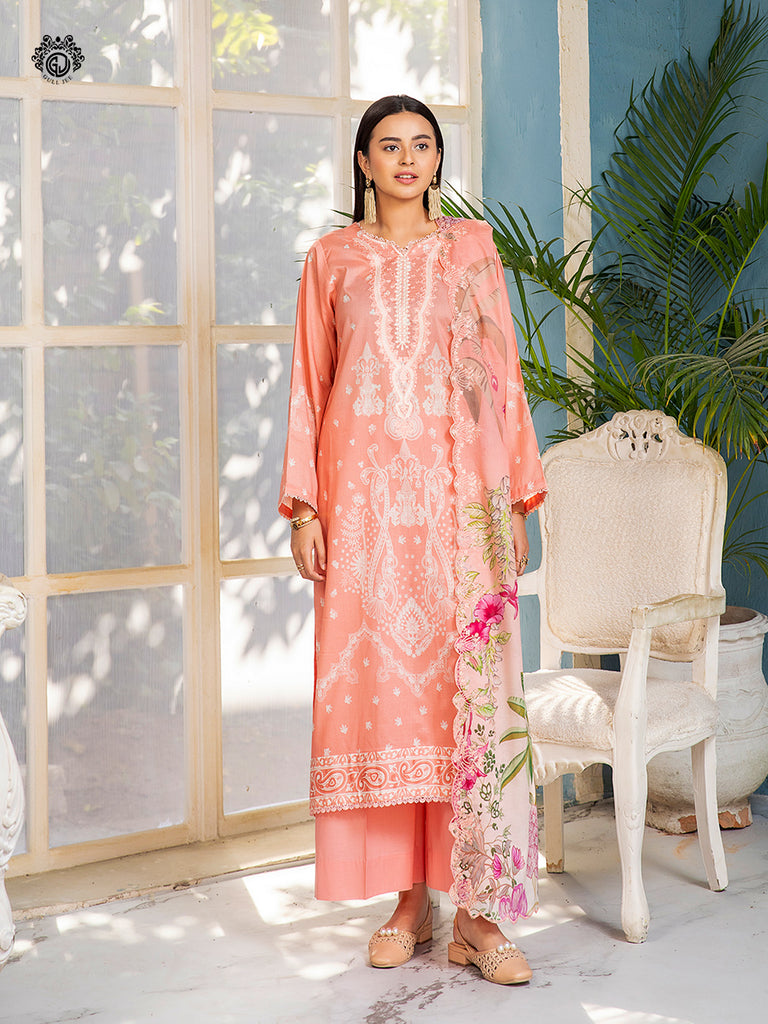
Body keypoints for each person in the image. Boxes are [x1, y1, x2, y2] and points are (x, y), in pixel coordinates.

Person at [279, 95, 546, 985]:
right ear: (363, 161)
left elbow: (502, 374)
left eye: (422, 145)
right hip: (363, 515)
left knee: (468, 700)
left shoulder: (471, 249)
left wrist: (515, 501)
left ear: (437, 159)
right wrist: (306, 510)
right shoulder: (331, 259)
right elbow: (310, 384)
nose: (406, 158)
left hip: (459, 508)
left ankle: (477, 914)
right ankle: (409, 902)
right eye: (388, 145)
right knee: (389, 703)